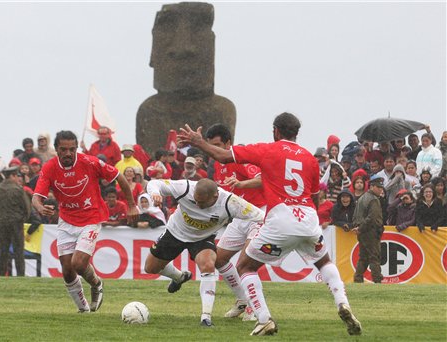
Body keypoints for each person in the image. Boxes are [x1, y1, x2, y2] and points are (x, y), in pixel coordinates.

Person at [178, 112, 362, 336]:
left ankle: (263, 318)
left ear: (275, 130)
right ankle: (342, 303)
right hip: (307, 216)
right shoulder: (309, 158)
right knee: (323, 261)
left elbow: (225, 156)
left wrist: (199, 143)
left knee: (245, 266)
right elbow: (314, 197)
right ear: (296, 133)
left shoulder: (268, 149)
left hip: (278, 216)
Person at [32, 130, 138, 313]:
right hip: (66, 221)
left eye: (72, 149)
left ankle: (96, 283)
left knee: (79, 263)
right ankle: (83, 310)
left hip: (91, 217)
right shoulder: (49, 167)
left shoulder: (90, 162)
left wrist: (131, 205)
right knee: (67, 270)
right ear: (56, 149)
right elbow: (36, 197)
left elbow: (119, 177)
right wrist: (40, 207)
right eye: (63, 149)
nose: (68, 153)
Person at [144, 178, 265, 327]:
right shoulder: (185, 188)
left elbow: (260, 216)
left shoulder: (230, 203)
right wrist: (155, 193)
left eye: (202, 203)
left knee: (208, 265)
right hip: (175, 232)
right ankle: (180, 277)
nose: (198, 205)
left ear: (215, 197)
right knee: (150, 268)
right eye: (196, 201)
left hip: (202, 238)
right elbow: (154, 183)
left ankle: (206, 317)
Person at [136, 2, 236, 155]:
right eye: (168, 27)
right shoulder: (149, 112)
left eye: (198, 28)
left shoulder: (221, 110)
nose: (183, 47)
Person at [204, 122, 266, 321]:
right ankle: (242, 300)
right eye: (210, 145)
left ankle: (254, 310)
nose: (214, 150)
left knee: (246, 263)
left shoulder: (240, 157)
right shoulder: (216, 163)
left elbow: (262, 179)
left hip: (258, 214)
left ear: (228, 143)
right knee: (219, 259)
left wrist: (241, 183)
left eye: (217, 145)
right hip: (240, 216)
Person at [0, 167, 31, 276]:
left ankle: (0, 274)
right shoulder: (18, 189)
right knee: (18, 250)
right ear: (13, 176)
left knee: (2, 250)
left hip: (2, 222)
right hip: (16, 222)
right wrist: (23, 218)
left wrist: (0, 217)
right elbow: (27, 207)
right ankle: (20, 274)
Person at [351, 175, 384, 283]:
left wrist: (358, 228)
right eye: (379, 187)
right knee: (374, 256)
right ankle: (377, 278)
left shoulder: (362, 198)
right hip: (370, 231)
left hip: (362, 231)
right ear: (372, 186)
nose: (380, 190)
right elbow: (372, 218)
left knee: (363, 257)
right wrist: (361, 228)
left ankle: (358, 277)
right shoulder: (373, 199)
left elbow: (355, 215)